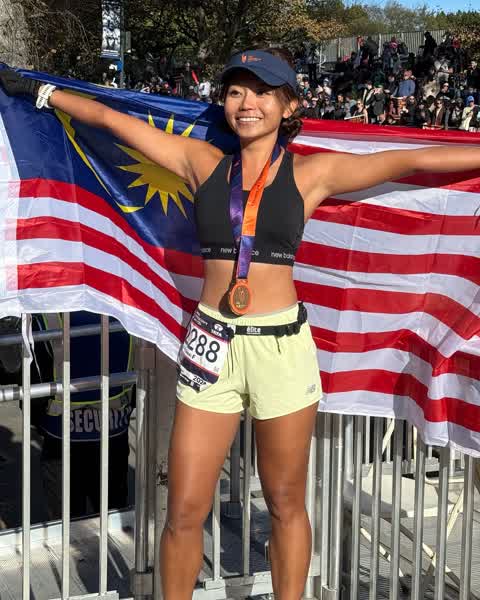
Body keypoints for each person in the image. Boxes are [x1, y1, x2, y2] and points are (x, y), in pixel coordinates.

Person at [1, 47, 479, 600]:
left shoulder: (313, 172)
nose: (247, 103)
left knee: (285, 502)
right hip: (211, 345)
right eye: (235, 91)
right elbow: (111, 120)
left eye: (262, 92)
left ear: (289, 105)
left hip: (281, 349)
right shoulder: (202, 162)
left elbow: (410, 160)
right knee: (183, 509)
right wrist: (40, 93)